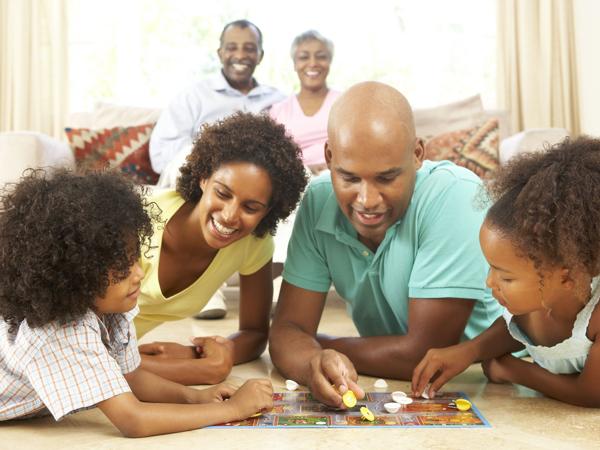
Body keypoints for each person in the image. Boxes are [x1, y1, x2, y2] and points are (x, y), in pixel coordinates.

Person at [268, 81, 502, 408]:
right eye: (349, 177)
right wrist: (312, 362)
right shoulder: (319, 200)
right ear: (329, 157)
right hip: (390, 375)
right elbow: (287, 331)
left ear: (418, 154)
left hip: (490, 375)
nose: (367, 201)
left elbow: (424, 354)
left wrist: (314, 344)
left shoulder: (457, 196)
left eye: (387, 178)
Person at [0, 169, 273, 437]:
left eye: (134, 259)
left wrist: (196, 398)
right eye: (123, 266)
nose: (139, 273)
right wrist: (233, 410)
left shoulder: (113, 310)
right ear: (75, 272)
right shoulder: (62, 331)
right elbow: (134, 420)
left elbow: (130, 376)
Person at [412, 137, 600, 407]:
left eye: (506, 277)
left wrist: (514, 370)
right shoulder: (535, 298)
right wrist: (469, 351)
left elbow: (591, 393)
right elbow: (516, 327)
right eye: (490, 267)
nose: (490, 282)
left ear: (567, 277)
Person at [136, 112, 307, 385]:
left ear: (269, 210)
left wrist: (200, 354)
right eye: (223, 193)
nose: (229, 216)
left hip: (110, 357)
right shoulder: (137, 215)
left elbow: (254, 333)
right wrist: (202, 369)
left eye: (251, 207)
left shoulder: (253, 245)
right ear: (204, 178)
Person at [151, 19, 284, 320]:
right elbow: (163, 152)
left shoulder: (279, 101)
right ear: (220, 52)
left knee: (276, 186)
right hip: (203, 172)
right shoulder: (194, 96)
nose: (241, 54)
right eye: (232, 47)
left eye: (249, 48)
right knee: (188, 155)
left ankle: (274, 279)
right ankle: (209, 286)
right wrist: (214, 163)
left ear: (260, 55)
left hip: (258, 182)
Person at [269, 30, 340, 174]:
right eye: (304, 57)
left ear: (329, 62)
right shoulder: (279, 111)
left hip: (339, 178)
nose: (313, 63)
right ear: (295, 64)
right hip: (296, 182)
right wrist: (306, 170)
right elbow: (274, 159)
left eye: (321, 57)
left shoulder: (345, 103)